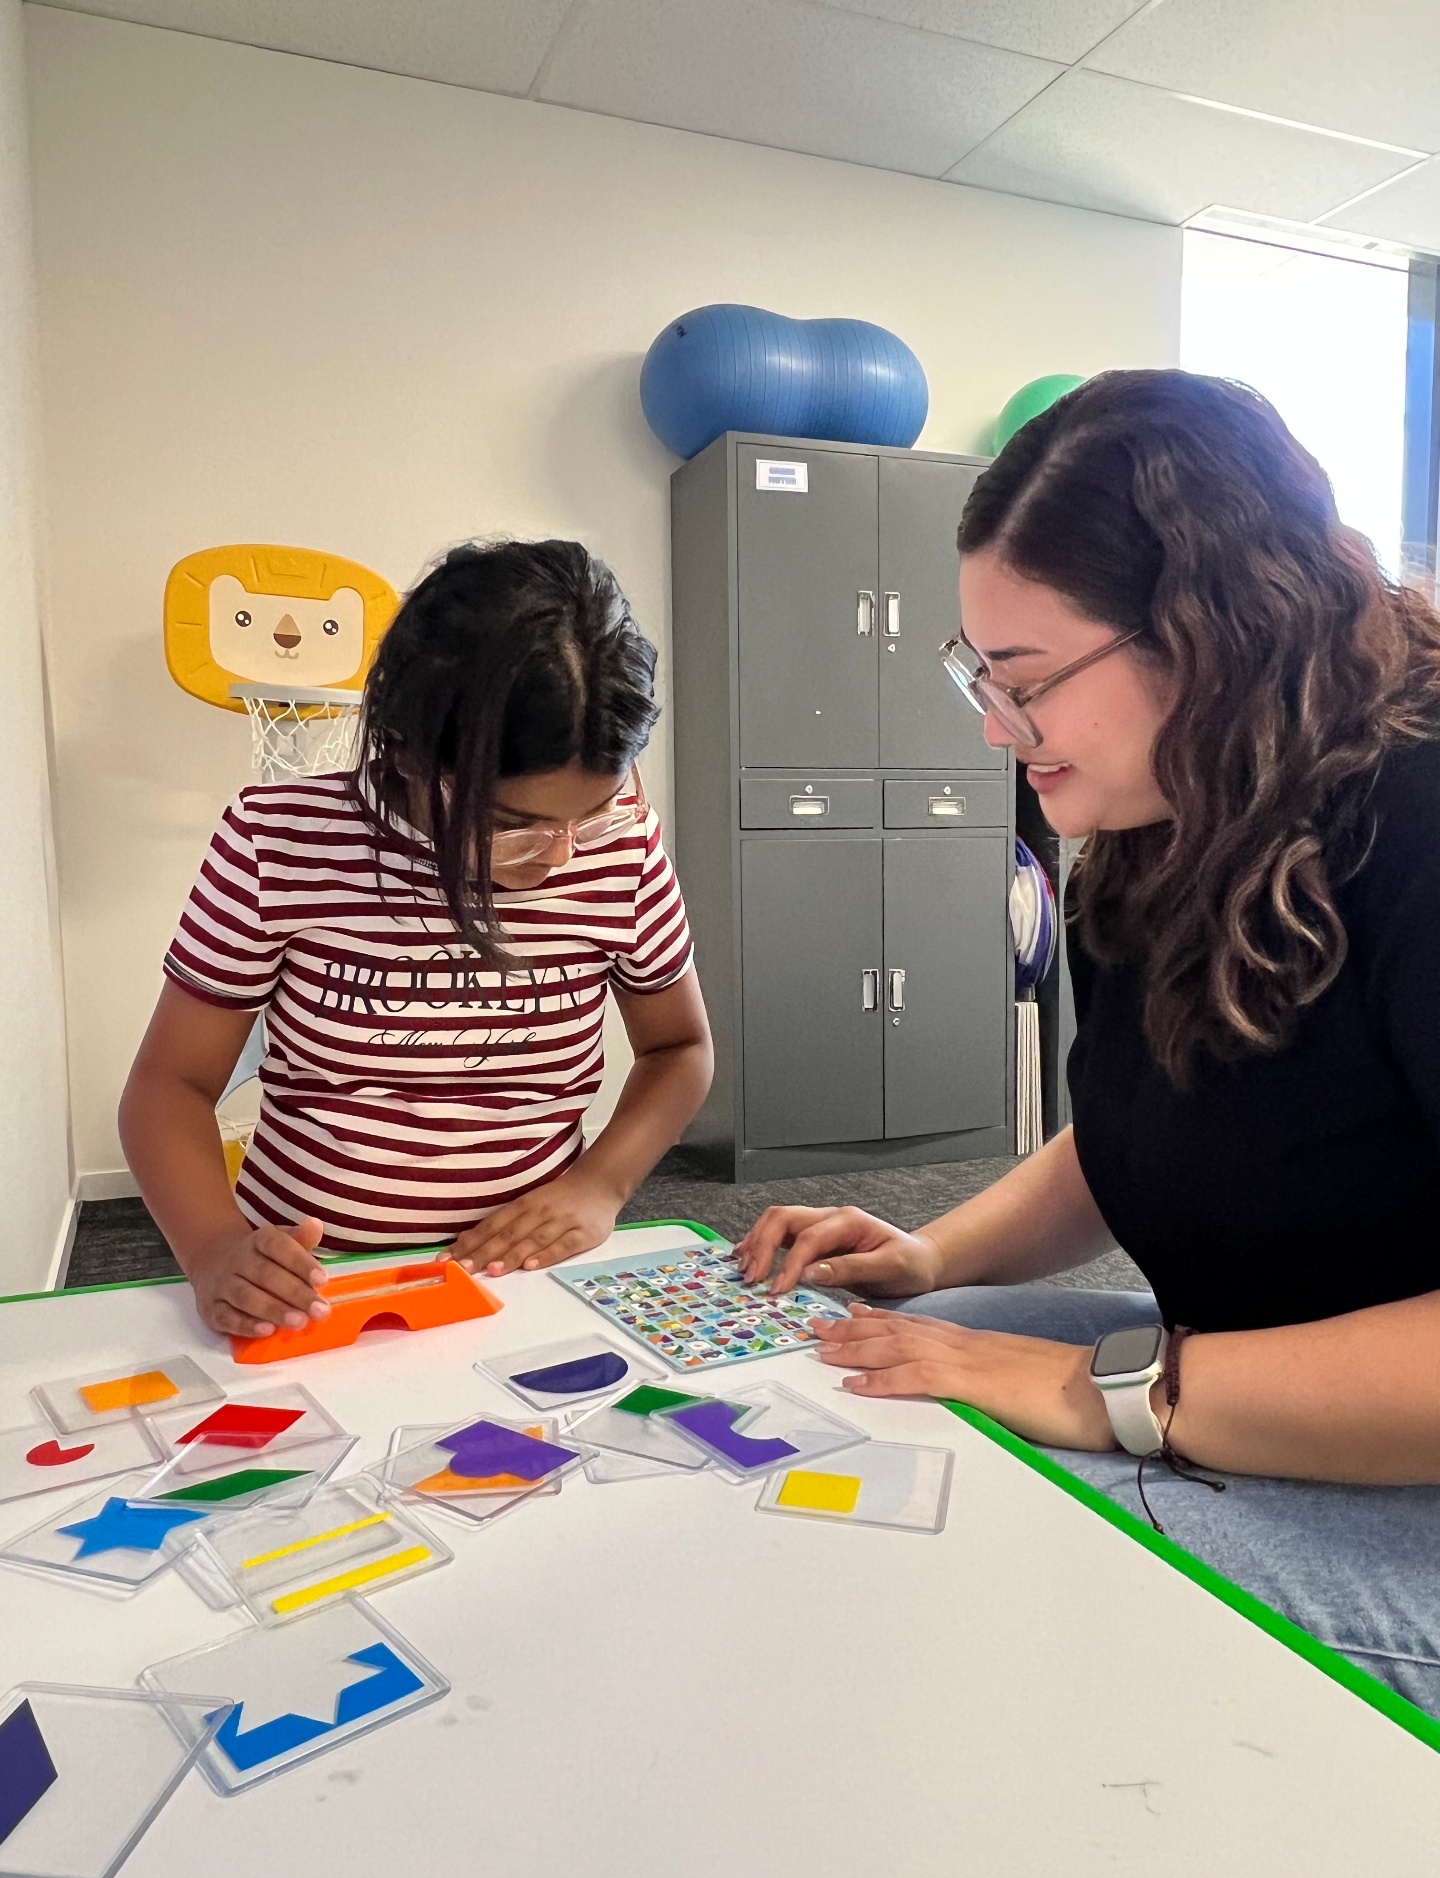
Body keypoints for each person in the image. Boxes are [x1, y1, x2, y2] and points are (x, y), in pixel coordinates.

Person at [736, 370, 1440, 1718]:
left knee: (987, 1567)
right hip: (1232, 1374)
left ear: (1216, 636)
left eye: (1026, 681)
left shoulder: (1415, 815)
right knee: (853, 1361)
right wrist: (931, 1254)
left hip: (1402, 1472)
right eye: (975, 675)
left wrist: (1098, 1391)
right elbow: (1152, 1126)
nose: (995, 727)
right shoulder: (1160, 809)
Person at [122, 538, 712, 1340]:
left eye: (596, 811)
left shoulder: (626, 849)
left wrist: (600, 1186)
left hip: (520, 1280)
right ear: (403, 750)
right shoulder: (278, 839)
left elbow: (680, 1049)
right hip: (312, 1284)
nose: (562, 855)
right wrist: (215, 1248)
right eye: (511, 824)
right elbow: (170, 1085)